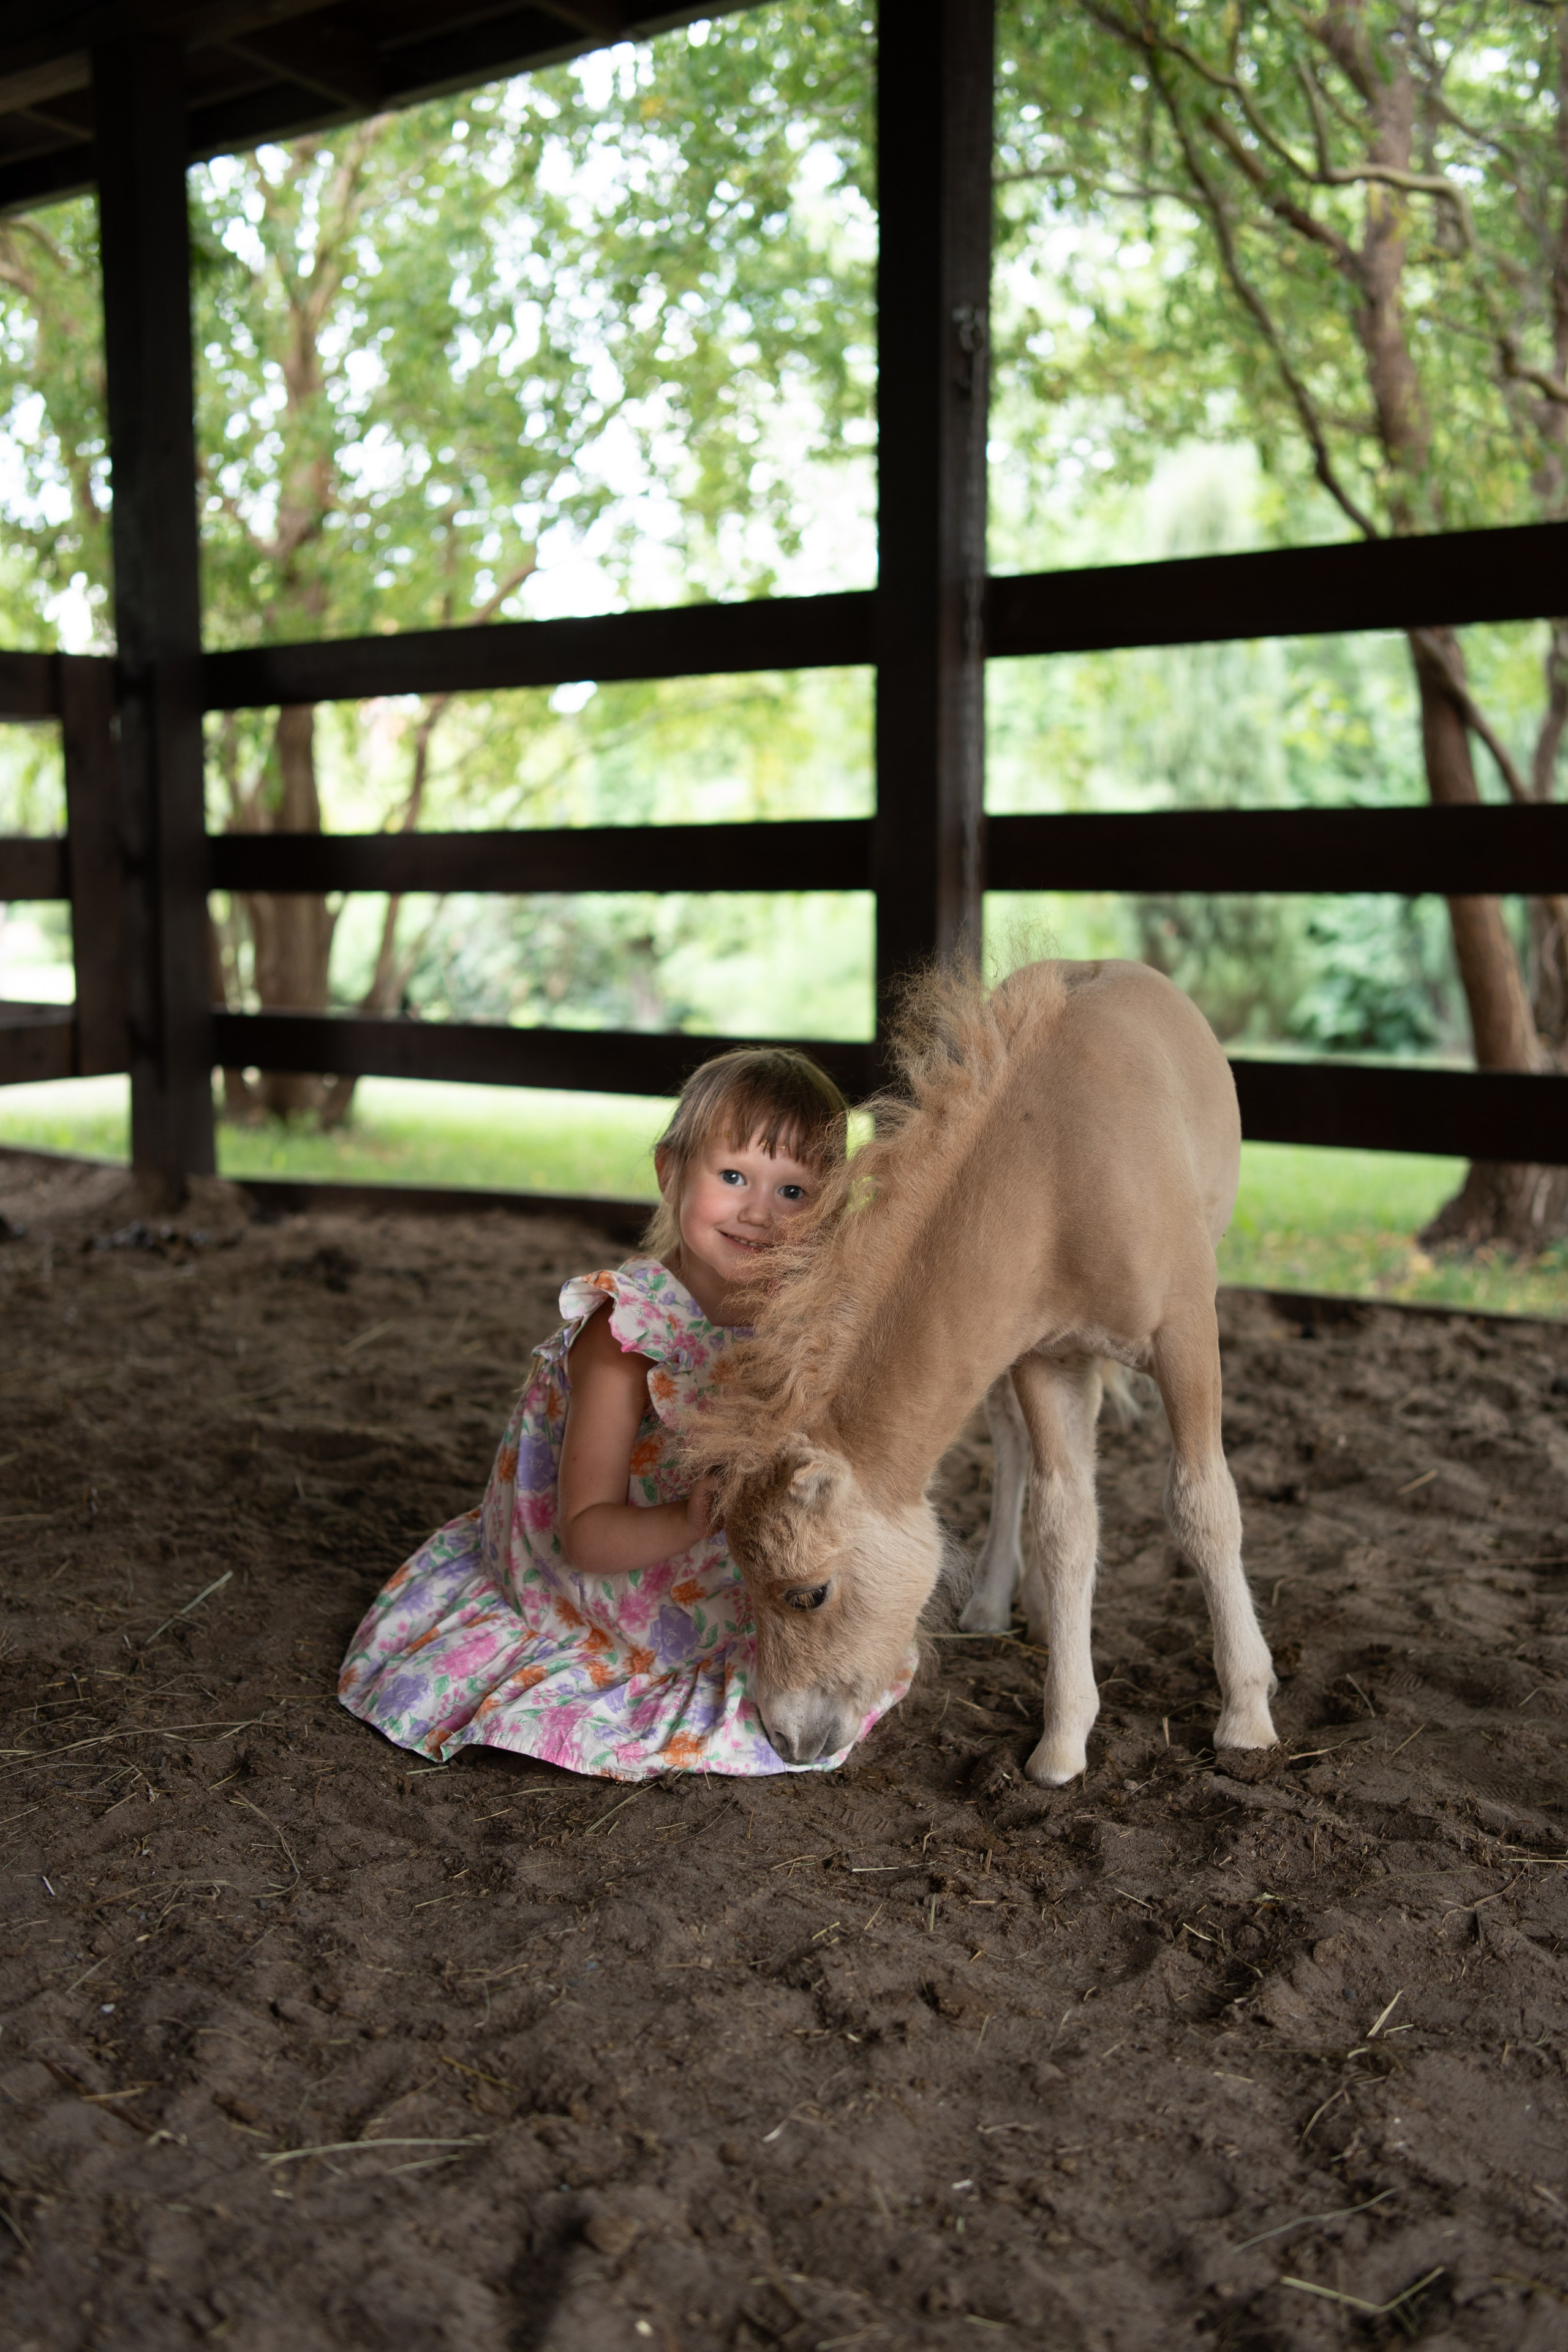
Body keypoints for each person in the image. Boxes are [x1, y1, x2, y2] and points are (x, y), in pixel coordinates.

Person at [338, 1047, 910, 1779]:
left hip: (724, 1572)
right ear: (670, 1174)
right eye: (733, 1176)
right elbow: (583, 1535)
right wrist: (689, 1520)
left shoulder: (807, 1330)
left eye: (794, 1191)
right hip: (606, 1585)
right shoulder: (627, 1333)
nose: (759, 1211)